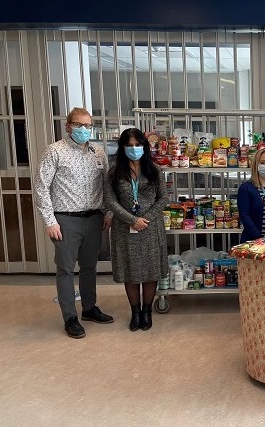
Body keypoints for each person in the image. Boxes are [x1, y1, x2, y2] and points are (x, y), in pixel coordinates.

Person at [33, 107, 114, 339]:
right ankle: (70, 317)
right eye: (78, 125)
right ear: (68, 126)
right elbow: (41, 187)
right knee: (66, 270)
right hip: (65, 219)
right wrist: (50, 220)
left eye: (88, 126)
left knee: (90, 267)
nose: (83, 130)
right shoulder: (54, 151)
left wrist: (107, 213)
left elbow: (106, 186)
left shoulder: (98, 152)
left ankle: (89, 308)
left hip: (94, 218)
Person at [104, 128, 168, 331]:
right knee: (130, 271)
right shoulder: (114, 172)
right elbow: (110, 201)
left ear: (144, 147)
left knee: (150, 271)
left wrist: (145, 219)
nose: (134, 149)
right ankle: (135, 312)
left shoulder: (155, 170)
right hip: (124, 228)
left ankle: (147, 311)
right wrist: (132, 220)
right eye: (129, 145)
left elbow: (164, 198)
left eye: (138, 145)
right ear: (123, 148)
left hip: (150, 227)